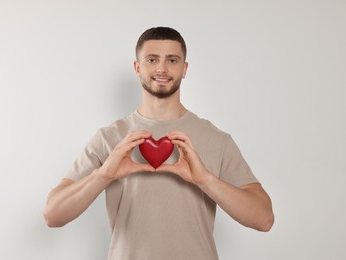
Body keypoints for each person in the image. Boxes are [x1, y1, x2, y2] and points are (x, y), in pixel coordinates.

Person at [44, 26, 274, 260]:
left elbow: (264, 219)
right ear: (137, 67)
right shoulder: (109, 138)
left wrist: (205, 179)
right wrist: (103, 175)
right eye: (152, 59)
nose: (162, 68)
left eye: (172, 60)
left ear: (185, 69)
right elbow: (53, 215)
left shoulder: (216, 139)